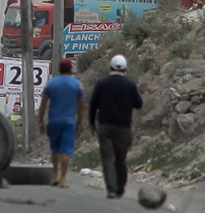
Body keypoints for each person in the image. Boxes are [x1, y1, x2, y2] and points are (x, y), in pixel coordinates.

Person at [88, 54, 144, 199]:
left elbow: (93, 104)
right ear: (125, 69)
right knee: (121, 159)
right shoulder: (130, 84)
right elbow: (139, 104)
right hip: (123, 127)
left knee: (107, 157)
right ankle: (120, 187)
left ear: (110, 67)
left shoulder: (102, 83)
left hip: (105, 126)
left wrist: (92, 123)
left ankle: (111, 189)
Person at [38, 59, 86, 188]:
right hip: (69, 122)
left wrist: (41, 120)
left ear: (59, 69)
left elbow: (43, 103)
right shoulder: (77, 84)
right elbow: (82, 105)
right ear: (71, 69)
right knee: (66, 150)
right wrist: (80, 123)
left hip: (53, 121)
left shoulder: (51, 83)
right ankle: (63, 177)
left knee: (55, 148)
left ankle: (55, 174)